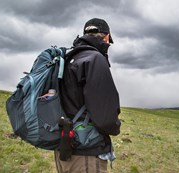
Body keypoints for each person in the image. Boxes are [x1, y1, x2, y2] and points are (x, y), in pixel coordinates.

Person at [54, 18, 121, 173]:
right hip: (86, 152)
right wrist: (115, 127)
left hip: (64, 146)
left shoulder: (70, 58)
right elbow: (105, 116)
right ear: (106, 37)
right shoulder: (95, 59)